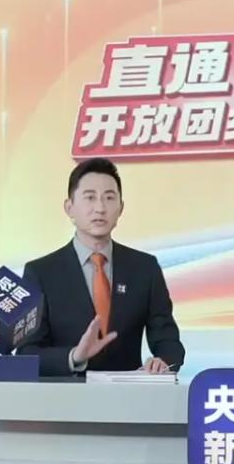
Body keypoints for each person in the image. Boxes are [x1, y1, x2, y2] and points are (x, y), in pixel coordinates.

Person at [18, 158, 185, 376]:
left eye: (109, 198)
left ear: (121, 208)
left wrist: (163, 362)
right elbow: (27, 352)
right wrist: (74, 356)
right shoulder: (40, 273)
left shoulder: (145, 268)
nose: (100, 208)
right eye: (90, 197)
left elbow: (168, 340)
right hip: (64, 394)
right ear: (69, 208)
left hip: (127, 394)